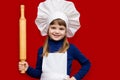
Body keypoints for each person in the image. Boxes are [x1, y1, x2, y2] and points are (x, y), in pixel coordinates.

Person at [19, 0, 91, 80]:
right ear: (47, 29)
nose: (57, 31)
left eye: (61, 29)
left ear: (66, 31)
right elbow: (39, 74)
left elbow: (86, 64)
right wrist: (27, 69)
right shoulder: (42, 50)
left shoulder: (71, 49)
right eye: (53, 28)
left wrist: (75, 78)